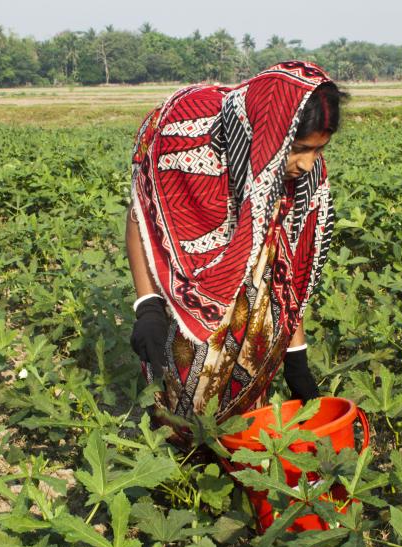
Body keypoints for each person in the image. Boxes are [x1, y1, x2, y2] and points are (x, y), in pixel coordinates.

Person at [126, 61, 345, 438]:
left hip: (244, 280)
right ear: (273, 133)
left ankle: (240, 428)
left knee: (242, 385)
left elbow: (287, 271)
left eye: (319, 150)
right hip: (187, 278)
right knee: (181, 381)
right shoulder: (185, 138)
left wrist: (296, 358)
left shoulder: (298, 176)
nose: (308, 163)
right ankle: (178, 453)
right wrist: (146, 304)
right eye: (302, 149)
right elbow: (142, 214)